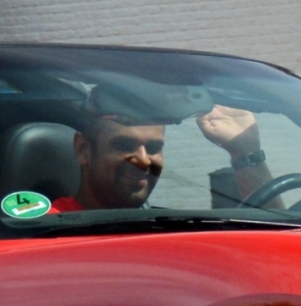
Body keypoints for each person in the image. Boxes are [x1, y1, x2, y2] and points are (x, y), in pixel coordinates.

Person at [55, 86, 272, 212]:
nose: (143, 162)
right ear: (83, 149)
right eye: (124, 145)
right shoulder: (43, 230)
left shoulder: (168, 229)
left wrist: (245, 152)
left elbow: (272, 249)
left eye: (153, 148)